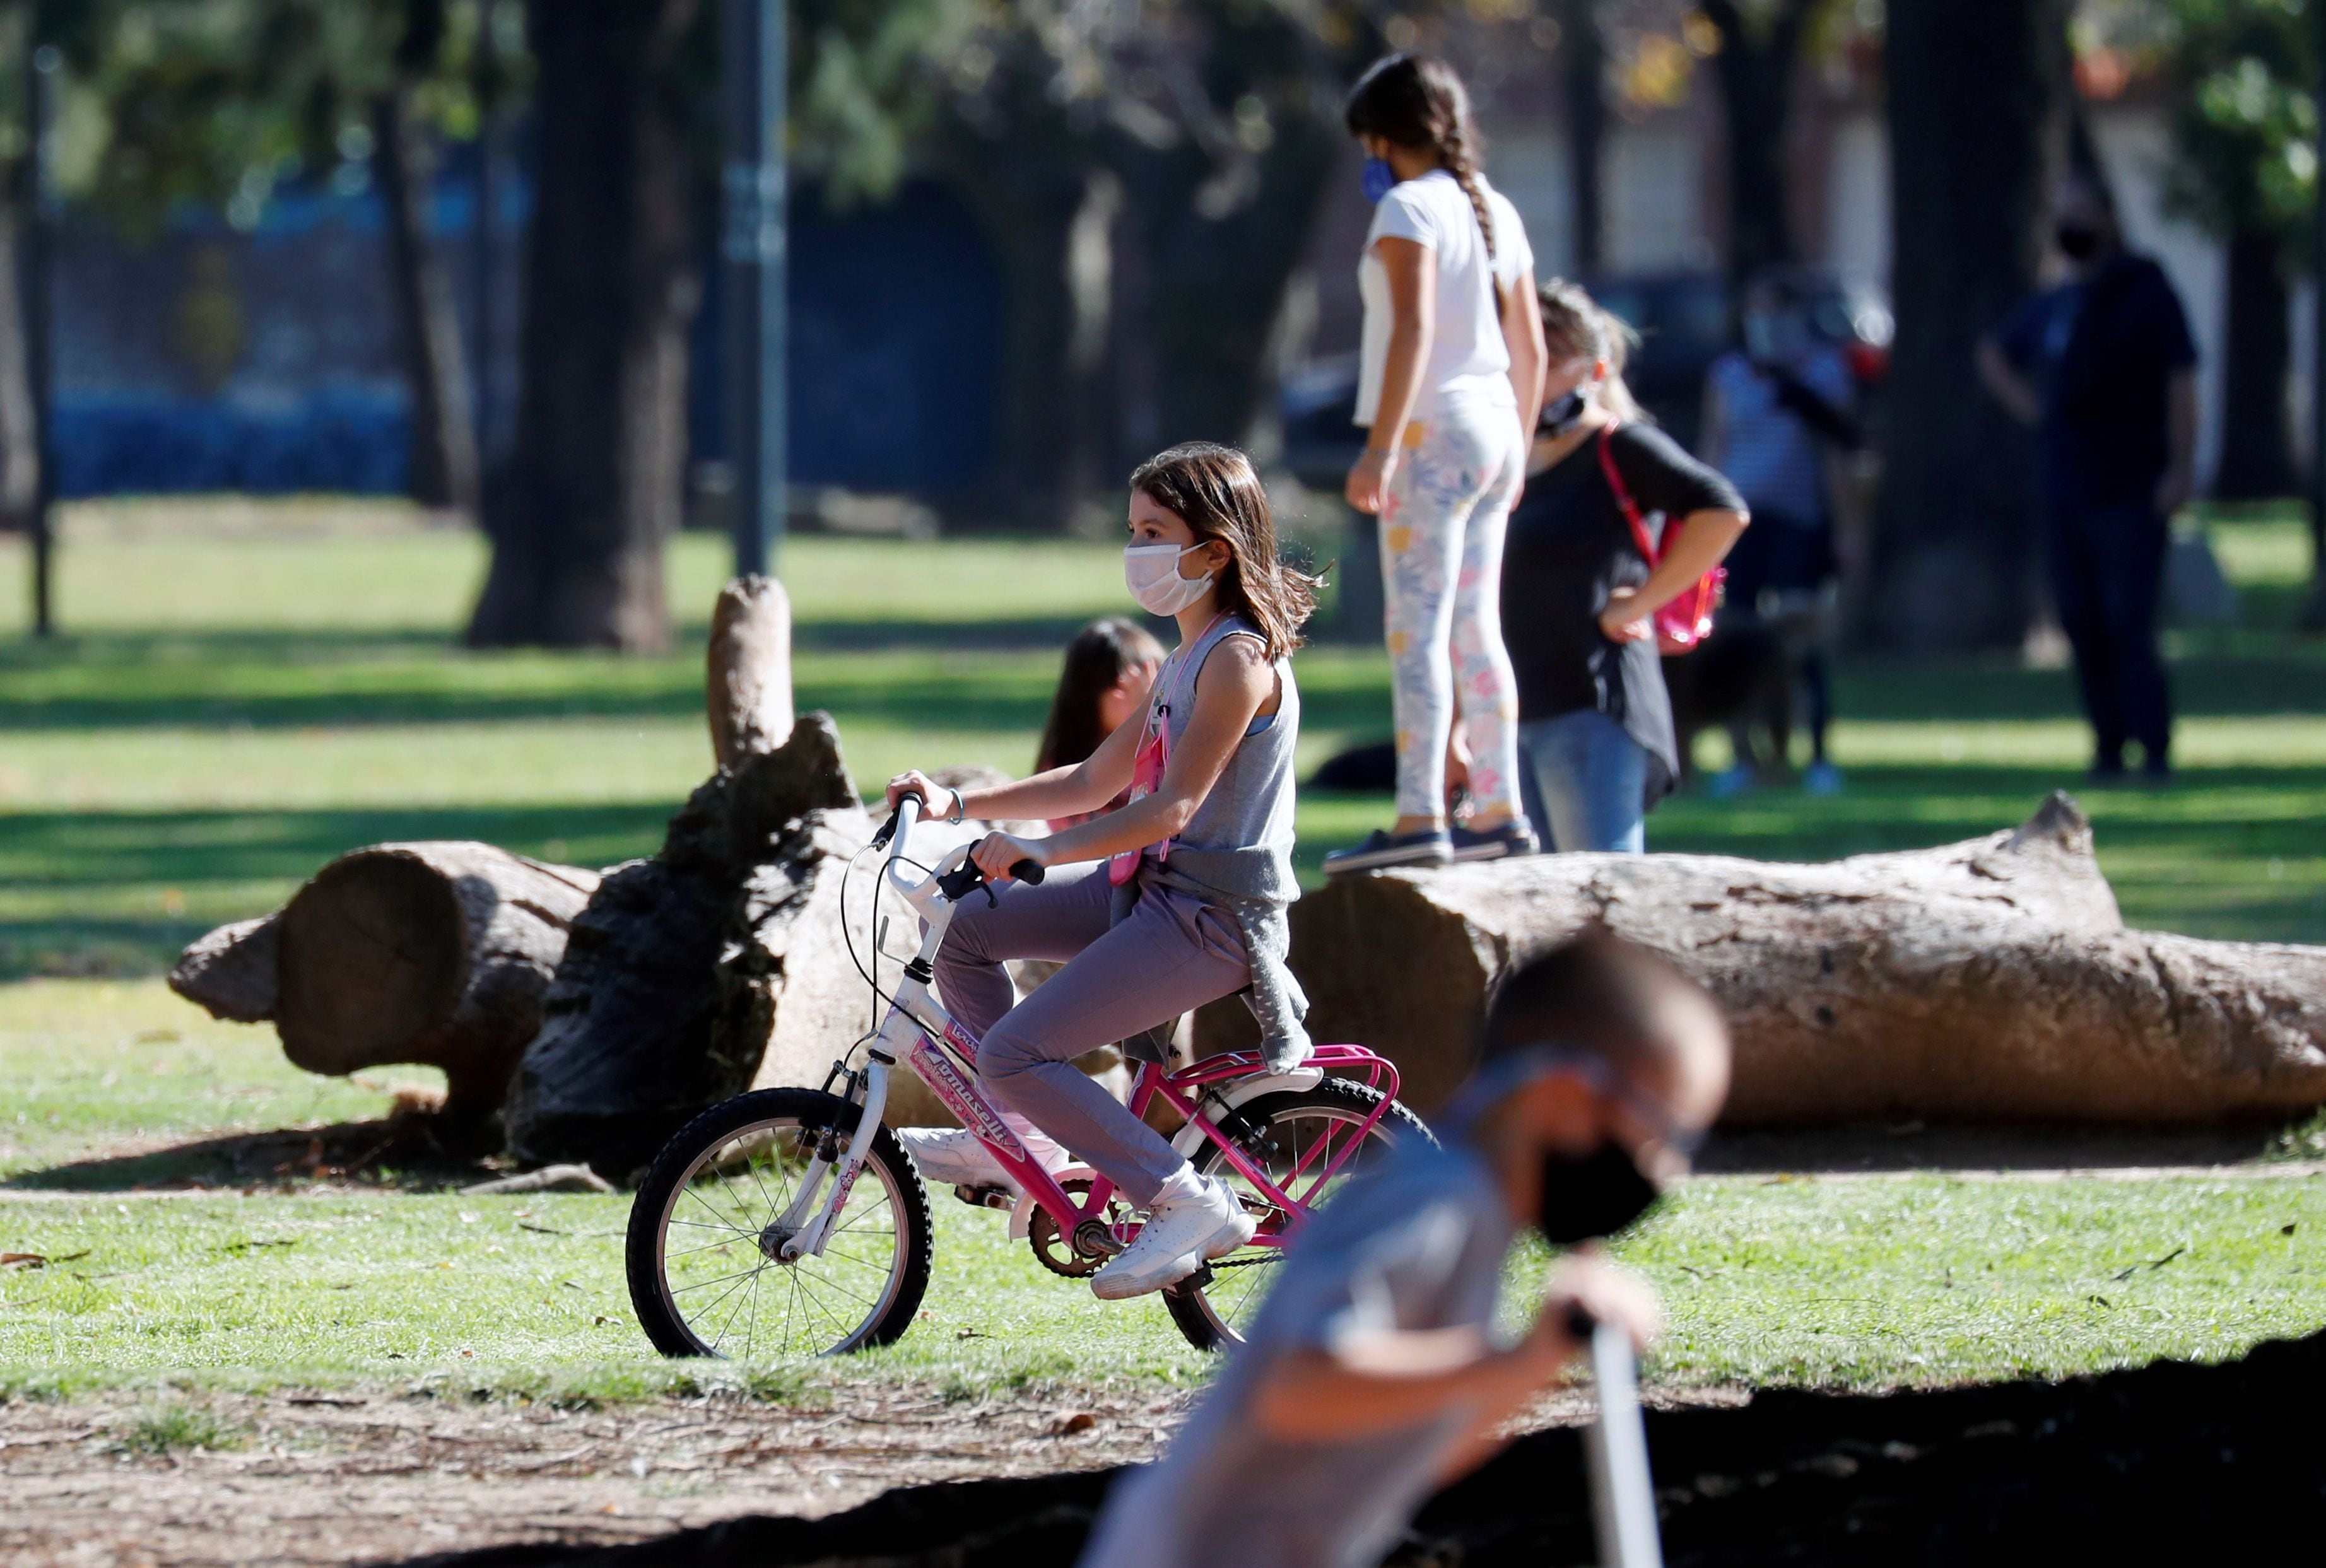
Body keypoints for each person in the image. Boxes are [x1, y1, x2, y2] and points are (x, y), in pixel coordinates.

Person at [1076, 930, 1732, 1568]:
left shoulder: (1472, 1212)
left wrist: (1530, 1368)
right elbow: (1295, 1386)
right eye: (1662, 1134)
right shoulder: (1437, 1196)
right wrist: (1515, 1356)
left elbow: (1412, 1446)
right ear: (1564, 1097)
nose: (1665, 1172)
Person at [884, 442, 1320, 1301]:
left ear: (1213, 551)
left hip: (1209, 916)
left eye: (1153, 532)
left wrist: (1040, 851)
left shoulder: (1237, 660)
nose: (1136, 551)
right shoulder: (1180, 663)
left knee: (1014, 1049)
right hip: (1151, 893)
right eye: (1133, 530)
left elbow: (1171, 809)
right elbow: (1093, 778)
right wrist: (956, 805)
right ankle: (1013, 1136)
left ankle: (1184, 1198)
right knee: (966, 929)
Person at [1324, 52, 1548, 875]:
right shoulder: (1494, 207)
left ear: (1381, 137)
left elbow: (1411, 333)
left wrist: (1378, 449)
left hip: (1429, 436)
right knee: (1476, 630)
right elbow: (1526, 344)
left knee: (1413, 635)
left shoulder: (1408, 211)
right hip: (1491, 427)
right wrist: (1519, 445)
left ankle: (1419, 810)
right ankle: (1498, 805)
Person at [1501, 281, 1749, 853]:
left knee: (1595, 901)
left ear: (1593, 367)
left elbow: (1722, 512)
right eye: (1520, 354)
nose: (1532, 374)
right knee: (1529, 908)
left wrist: (1639, 603)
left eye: (1553, 359)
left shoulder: (1621, 446)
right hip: (1512, 706)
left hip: (1593, 704)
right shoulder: (1506, 456)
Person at [1979, 175, 2197, 782]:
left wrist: (2180, 469)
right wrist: (2036, 412)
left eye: (2079, 213)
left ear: (2107, 217)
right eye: (2060, 213)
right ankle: (2107, 748)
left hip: (2133, 484)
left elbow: (2182, 383)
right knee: (2080, 618)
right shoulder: (2057, 301)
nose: (2068, 225)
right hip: (2066, 486)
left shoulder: (2145, 290)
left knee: (2130, 619)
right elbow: (1994, 352)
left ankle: (2154, 750)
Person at [1700, 269, 1859, 795]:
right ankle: (1744, 758)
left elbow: (1838, 454)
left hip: (1799, 520)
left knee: (1800, 639)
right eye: (1757, 311)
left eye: (1776, 310)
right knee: (1735, 636)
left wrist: (1846, 527)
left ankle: (1816, 755)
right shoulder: (1729, 375)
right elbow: (1714, 448)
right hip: (1741, 520)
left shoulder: (1821, 373)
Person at [1037, 617, 1167, 830]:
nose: (1149, 699)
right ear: (1087, 695)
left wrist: (1156, 718)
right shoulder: (1060, 781)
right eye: (1130, 686)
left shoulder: (1169, 762)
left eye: (1159, 685)